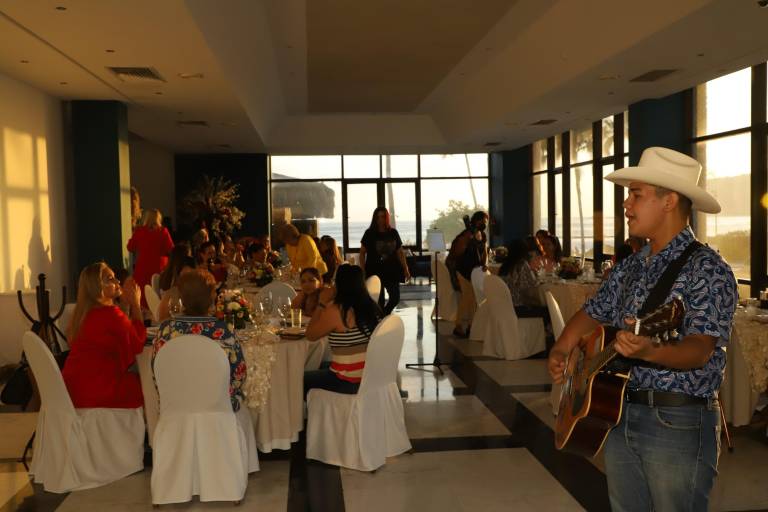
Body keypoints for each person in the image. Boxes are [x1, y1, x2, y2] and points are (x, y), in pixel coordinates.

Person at [547, 147, 737, 511]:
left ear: (669, 201)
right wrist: (562, 348)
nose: (626, 204)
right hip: (618, 413)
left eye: (636, 194)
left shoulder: (708, 269)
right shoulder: (631, 266)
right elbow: (592, 313)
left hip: (676, 420)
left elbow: (700, 349)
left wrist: (651, 351)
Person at [152, 269, 246, 412]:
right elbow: (239, 376)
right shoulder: (223, 331)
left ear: (182, 297)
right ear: (211, 297)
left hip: (175, 413)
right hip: (218, 413)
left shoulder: (166, 330)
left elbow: (157, 373)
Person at [61, 262, 146, 408]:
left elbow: (120, 333)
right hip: (98, 390)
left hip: (72, 390)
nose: (117, 281)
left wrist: (126, 305)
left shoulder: (81, 315)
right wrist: (136, 305)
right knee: (147, 384)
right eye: (110, 279)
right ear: (98, 287)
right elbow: (137, 342)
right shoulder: (110, 314)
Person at [304, 265, 383, 396]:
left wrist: (321, 303)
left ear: (338, 285)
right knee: (322, 365)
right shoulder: (372, 307)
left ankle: (318, 408)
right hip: (370, 377)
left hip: (348, 381)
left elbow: (310, 335)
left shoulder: (337, 311)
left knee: (298, 380)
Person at [359, 207, 411, 315]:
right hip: (374, 271)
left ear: (386, 218)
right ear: (375, 218)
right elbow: (362, 253)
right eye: (378, 217)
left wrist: (405, 268)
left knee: (395, 298)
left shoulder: (393, 233)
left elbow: (400, 252)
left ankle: (383, 316)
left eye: (383, 216)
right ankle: (381, 319)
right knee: (379, 300)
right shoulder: (369, 233)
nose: (380, 220)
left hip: (392, 271)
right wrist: (363, 270)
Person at [445, 211, 488, 337]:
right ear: (477, 221)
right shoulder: (466, 235)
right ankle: (458, 326)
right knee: (467, 297)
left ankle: (471, 325)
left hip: (476, 272)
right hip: (463, 271)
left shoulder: (482, 235)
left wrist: (485, 263)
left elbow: (485, 251)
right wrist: (468, 240)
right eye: (484, 221)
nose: (485, 224)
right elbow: (456, 253)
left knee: (473, 298)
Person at [127, 208, 174, 305]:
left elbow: (130, 247)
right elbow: (171, 250)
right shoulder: (163, 231)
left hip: (142, 268)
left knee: (143, 296)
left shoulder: (139, 231)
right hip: (160, 268)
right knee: (159, 297)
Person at [498, 239, 547, 318]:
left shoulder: (504, 266)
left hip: (505, 307)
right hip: (519, 308)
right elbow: (528, 289)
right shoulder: (522, 264)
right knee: (548, 310)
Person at [156, 255, 197, 322]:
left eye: (190, 276)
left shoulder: (199, 292)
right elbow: (162, 319)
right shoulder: (171, 294)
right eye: (184, 276)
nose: (187, 280)